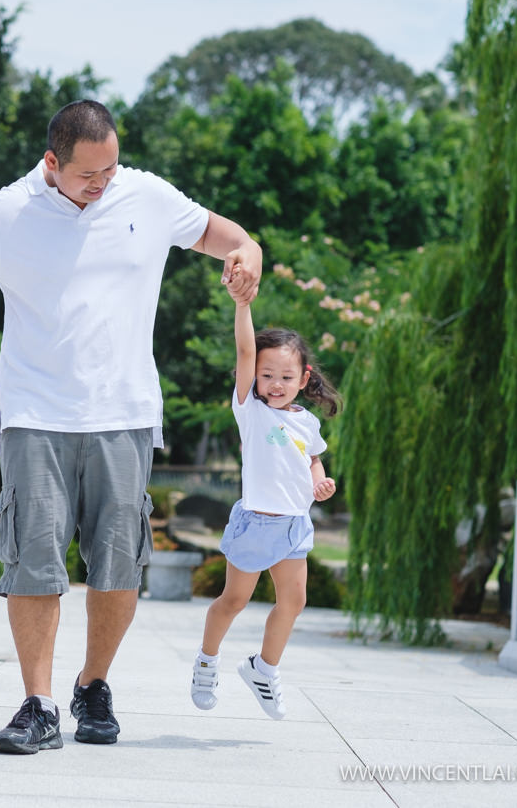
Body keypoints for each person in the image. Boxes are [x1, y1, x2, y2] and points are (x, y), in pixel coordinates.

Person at [0, 99, 261, 754]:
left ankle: (93, 683)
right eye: (87, 174)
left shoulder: (147, 195)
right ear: (52, 162)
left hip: (125, 413)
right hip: (35, 414)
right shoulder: (8, 212)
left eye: (110, 168)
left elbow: (234, 236)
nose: (103, 182)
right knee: (34, 561)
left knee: (119, 568)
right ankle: (39, 703)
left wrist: (247, 254)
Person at [190, 296, 340, 719]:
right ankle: (206, 661)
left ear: (303, 378)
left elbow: (311, 457)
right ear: (251, 376)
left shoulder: (307, 422)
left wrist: (319, 481)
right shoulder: (250, 412)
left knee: (293, 602)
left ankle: (263, 668)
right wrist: (243, 305)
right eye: (266, 374)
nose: (275, 383)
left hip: (294, 525)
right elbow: (243, 349)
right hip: (257, 523)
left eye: (285, 376)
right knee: (233, 601)